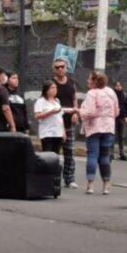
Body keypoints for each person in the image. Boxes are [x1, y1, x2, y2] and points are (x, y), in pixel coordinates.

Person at [79, 71, 119, 195]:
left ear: (94, 81)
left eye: (89, 79)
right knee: (105, 156)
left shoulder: (92, 93)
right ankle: (106, 185)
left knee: (92, 155)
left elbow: (89, 112)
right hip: (108, 127)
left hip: (94, 127)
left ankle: (90, 184)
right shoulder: (111, 92)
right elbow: (116, 111)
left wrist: (80, 111)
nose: (87, 81)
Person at [52, 58, 80, 189]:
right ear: (54, 69)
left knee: (69, 152)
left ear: (66, 68)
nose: (60, 69)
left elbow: (74, 99)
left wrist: (75, 112)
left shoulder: (71, 83)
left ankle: (69, 179)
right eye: (57, 67)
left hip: (69, 123)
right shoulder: (51, 83)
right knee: (54, 153)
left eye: (62, 66)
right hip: (55, 124)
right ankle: (53, 178)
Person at [34, 80, 65, 154]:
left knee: (55, 154)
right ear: (46, 90)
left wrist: (63, 132)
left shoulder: (57, 101)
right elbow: (37, 116)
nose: (55, 89)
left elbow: (60, 117)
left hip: (58, 132)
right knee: (48, 154)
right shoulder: (41, 101)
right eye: (52, 88)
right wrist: (51, 112)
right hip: (47, 132)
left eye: (56, 87)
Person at [113, 81, 127, 160]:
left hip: (122, 117)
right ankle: (111, 153)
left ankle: (121, 153)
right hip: (113, 118)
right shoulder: (112, 95)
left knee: (121, 136)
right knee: (112, 136)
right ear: (114, 87)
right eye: (117, 86)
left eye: (119, 86)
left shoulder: (124, 95)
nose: (118, 87)